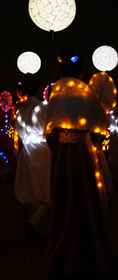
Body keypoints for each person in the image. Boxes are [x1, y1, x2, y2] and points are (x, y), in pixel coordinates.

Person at [44, 47, 116, 277]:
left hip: (62, 154)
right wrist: (91, 141)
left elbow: (49, 129)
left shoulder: (55, 92)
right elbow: (100, 120)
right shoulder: (84, 92)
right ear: (82, 72)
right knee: (85, 197)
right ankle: (87, 247)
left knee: (64, 197)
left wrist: (56, 145)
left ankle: (62, 246)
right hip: (82, 153)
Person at [14, 73, 51, 241]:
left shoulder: (20, 109)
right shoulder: (42, 107)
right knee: (47, 191)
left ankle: (35, 226)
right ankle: (32, 224)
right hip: (40, 150)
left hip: (26, 150)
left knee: (33, 190)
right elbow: (49, 129)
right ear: (38, 89)